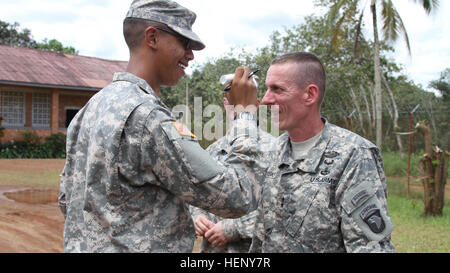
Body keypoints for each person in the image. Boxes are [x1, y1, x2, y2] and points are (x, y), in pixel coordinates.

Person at [58, 0, 261, 253]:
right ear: (152, 38)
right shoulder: (149, 118)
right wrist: (244, 114)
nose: (190, 55)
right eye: (184, 43)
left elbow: (68, 199)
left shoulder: (90, 108)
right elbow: (237, 195)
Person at [250, 52, 395, 253]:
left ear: (310, 94)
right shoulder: (273, 152)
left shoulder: (353, 155)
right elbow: (260, 238)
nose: (265, 100)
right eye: (267, 89)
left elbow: (370, 247)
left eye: (277, 89)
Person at [190, 86, 276, 253]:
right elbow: (197, 193)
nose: (237, 110)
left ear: (256, 105)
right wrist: (198, 217)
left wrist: (234, 228)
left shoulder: (274, 148)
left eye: (243, 105)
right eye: (233, 104)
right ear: (225, 103)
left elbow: (281, 207)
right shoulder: (212, 151)